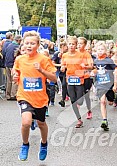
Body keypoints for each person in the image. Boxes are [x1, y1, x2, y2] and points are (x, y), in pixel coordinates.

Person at [13, 31, 57, 161]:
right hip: (24, 96)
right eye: (26, 43)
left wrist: (41, 70)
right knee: (26, 122)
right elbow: (16, 74)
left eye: (32, 43)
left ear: (38, 45)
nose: (29, 45)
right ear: (23, 45)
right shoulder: (19, 59)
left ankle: (44, 144)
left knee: (41, 123)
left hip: (40, 98)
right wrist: (15, 77)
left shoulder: (44, 59)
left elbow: (54, 78)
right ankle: (25, 144)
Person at [91, 42, 117, 131]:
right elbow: (94, 69)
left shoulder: (109, 61)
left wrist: (115, 83)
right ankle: (104, 120)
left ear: (105, 51)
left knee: (110, 102)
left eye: (102, 49)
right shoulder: (95, 61)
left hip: (109, 84)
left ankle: (113, 97)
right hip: (100, 84)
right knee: (102, 102)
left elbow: (116, 69)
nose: (100, 51)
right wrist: (93, 72)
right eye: (98, 49)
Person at [61, 36, 86, 128]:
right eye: (70, 44)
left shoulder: (81, 55)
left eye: (73, 44)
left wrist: (84, 65)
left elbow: (86, 65)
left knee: (79, 101)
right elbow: (63, 66)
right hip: (70, 79)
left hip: (79, 79)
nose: (71, 46)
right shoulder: (65, 55)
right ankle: (79, 119)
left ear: (76, 45)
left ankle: (80, 102)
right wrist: (63, 68)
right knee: (73, 100)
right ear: (67, 45)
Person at [78, 37, 94, 119]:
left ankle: (89, 110)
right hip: (76, 78)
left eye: (81, 43)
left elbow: (91, 66)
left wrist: (85, 66)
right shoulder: (74, 53)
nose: (79, 45)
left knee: (86, 95)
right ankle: (78, 116)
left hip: (86, 78)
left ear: (84, 45)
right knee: (78, 97)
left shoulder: (87, 54)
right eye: (78, 43)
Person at [5, 35, 22, 100]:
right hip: (12, 65)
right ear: (18, 40)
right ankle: (13, 95)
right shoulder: (16, 47)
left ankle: (8, 95)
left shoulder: (9, 45)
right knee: (14, 80)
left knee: (9, 80)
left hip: (7, 64)